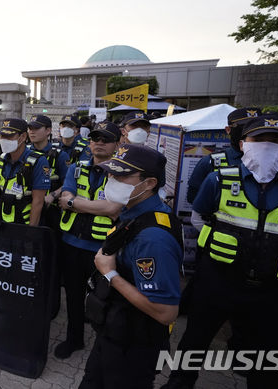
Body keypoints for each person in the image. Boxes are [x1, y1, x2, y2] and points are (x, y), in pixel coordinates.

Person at [164, 113, 278, 389]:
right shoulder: (219, 180)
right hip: (218, 279)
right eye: (259, 139)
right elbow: (200, 217)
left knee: (265, 362)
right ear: (243, 143)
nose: (267, 145)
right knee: (194, 341)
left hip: (273, 290)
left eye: (276, 140)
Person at [79, 144, 183, 388]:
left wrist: (110, 274)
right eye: (111, 173)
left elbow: (166, 312)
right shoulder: (133, 212)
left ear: (149, 183)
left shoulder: (153, 239)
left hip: (134, 346)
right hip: (116, 331)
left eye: (122, 175)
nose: (112, 179)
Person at [54, 121, 123, 359]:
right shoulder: (76, 168)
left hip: (103, 250)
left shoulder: (123, 175)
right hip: (72, 243)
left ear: (117, 144)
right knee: (73, 296)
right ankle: (74, 339)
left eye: (106, 139)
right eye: (95, 138)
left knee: (104, 299)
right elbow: (65, 197)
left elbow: (114, 209)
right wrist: (94, 206)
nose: (99, 143)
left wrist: (76, 204)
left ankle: (105, 347)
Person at [186, 107, 261, 204]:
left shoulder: (276, 164)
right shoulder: (210, 163)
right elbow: (193, 198)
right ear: (228, 129)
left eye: (256, 129)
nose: (250, 133)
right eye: (244, 128)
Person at [0, 118, 50, 226]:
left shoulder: (38, 162)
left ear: (23, 137)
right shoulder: (0, 160)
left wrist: (30, 231)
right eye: (2, 136)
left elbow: (38, 201)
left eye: (9, 136)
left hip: (23, 223)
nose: (4, 140)